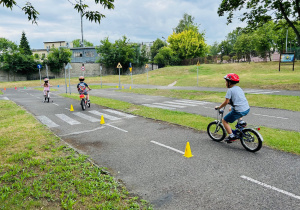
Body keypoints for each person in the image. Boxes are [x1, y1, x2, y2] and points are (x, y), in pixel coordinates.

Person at [215, 73, 250, 143]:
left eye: (226, 81)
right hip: (246, 108)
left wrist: (219, 107)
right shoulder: (239, 88)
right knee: (231, 109)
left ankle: (231, 136)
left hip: (239, 110)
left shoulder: (230, 90)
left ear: (229, 82)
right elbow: (237, 99)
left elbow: (226, 101)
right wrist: (230, 103)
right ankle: (241, 122)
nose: (225, 83)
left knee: (224, 121)